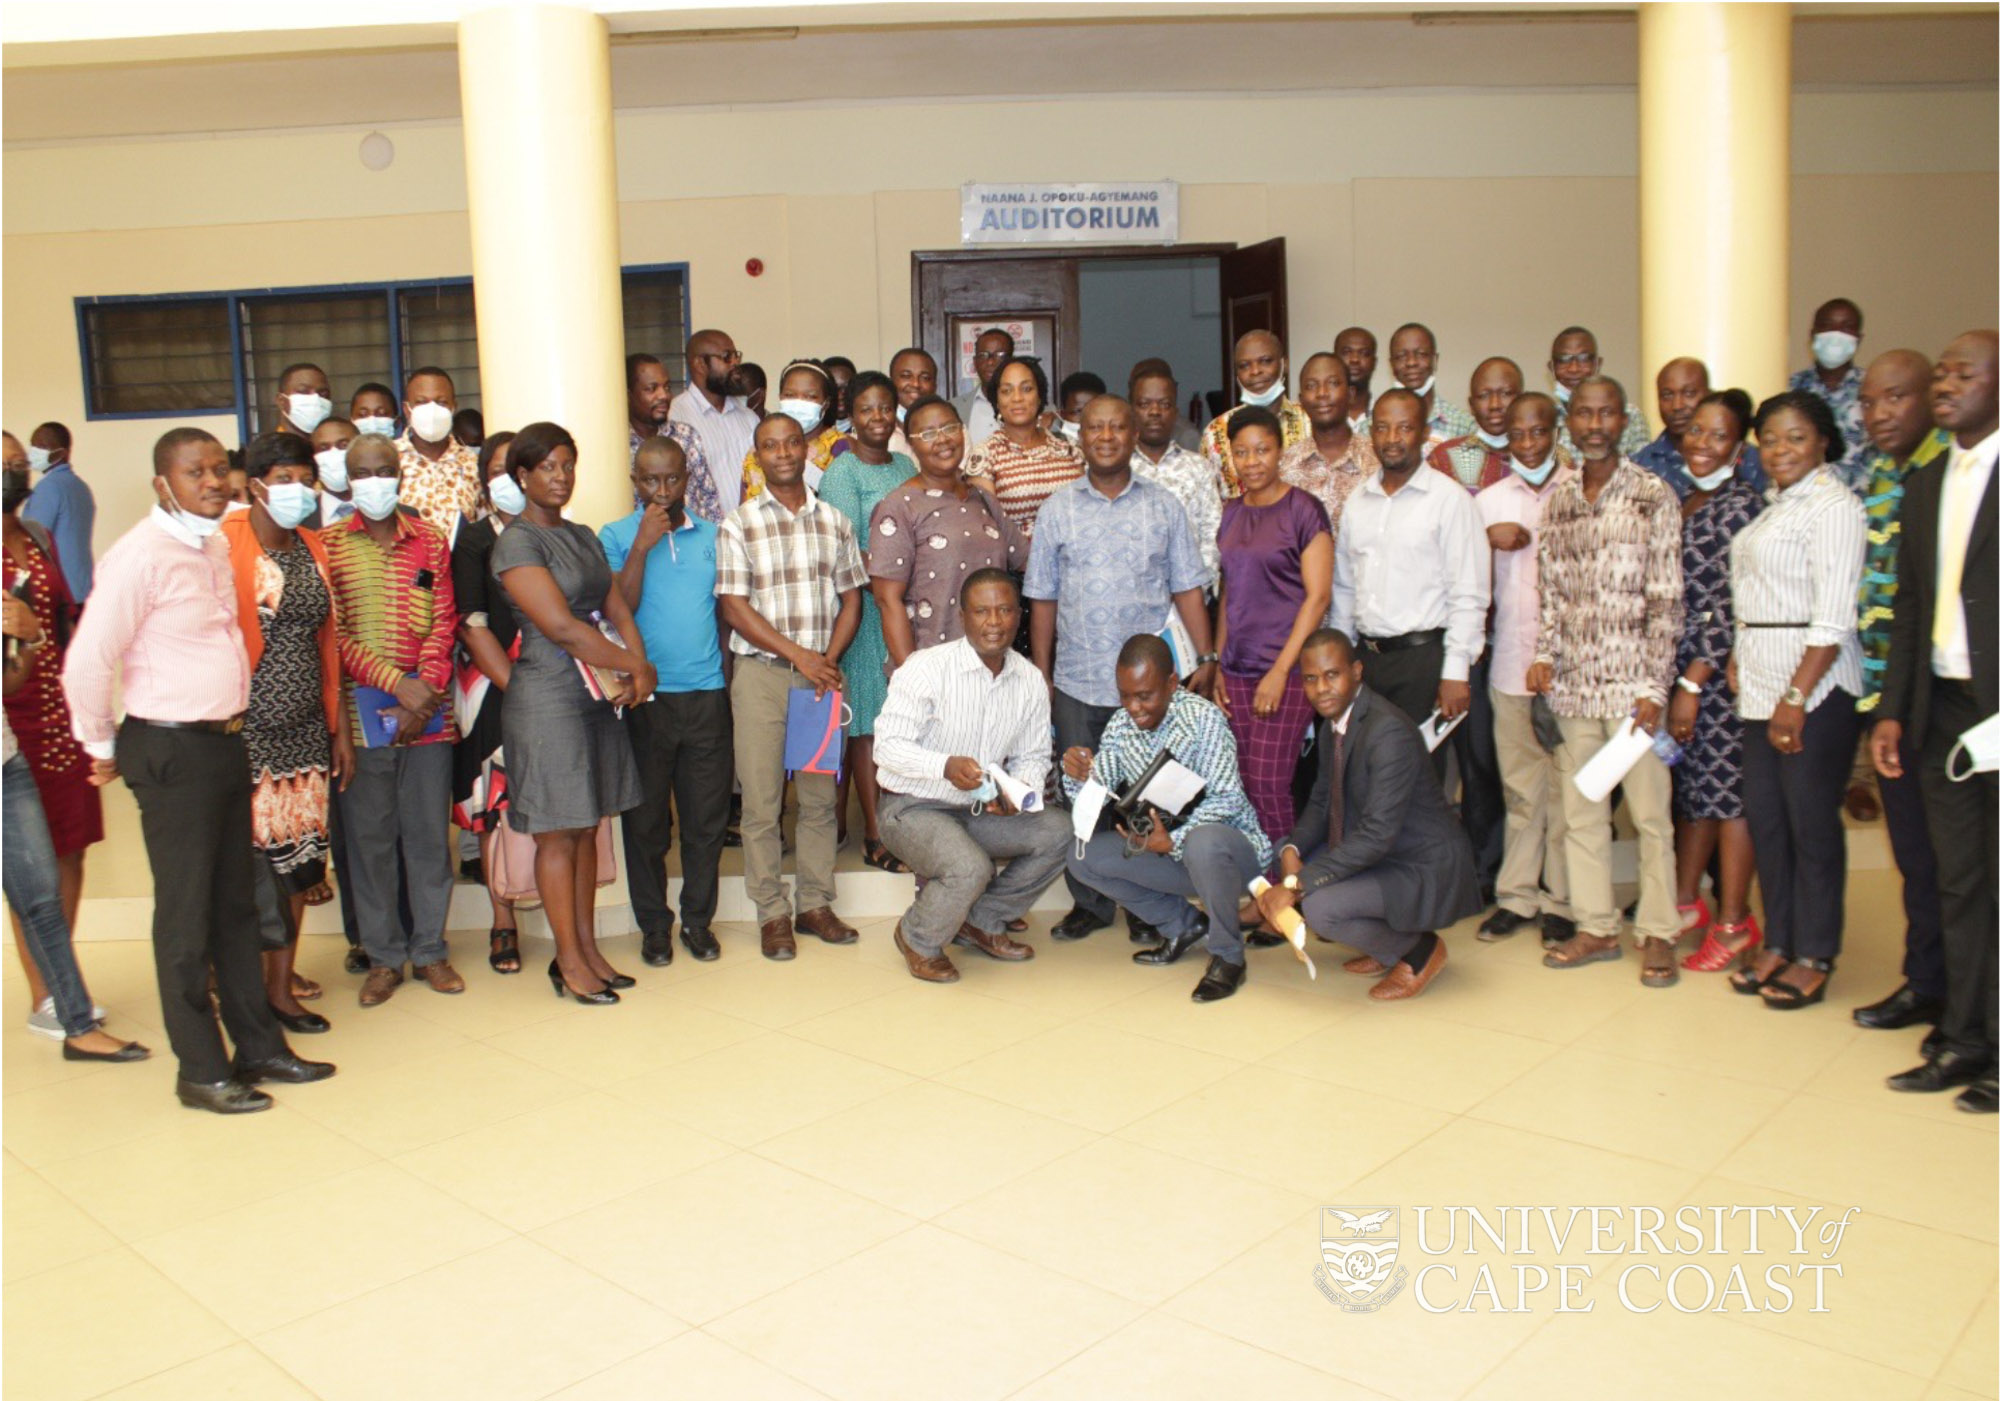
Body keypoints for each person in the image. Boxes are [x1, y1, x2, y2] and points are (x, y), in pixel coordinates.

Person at [63, 426, 334, 1112]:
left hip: (223, 742)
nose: (213, 482)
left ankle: (260, 1046)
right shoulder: (139, 556)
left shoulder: (212, 543)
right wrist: (97, 746)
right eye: (195, 473)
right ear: (164, 483)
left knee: (237, 906)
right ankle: (201, 1068)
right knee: (186, 917)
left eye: (220, 469)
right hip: (171, 746)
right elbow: (88, 660)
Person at [1025, 395, 1215, 942]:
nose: (1106, 436)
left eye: (1117, 427)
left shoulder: (1164, 506)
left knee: (1145, 792)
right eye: (1095, 427)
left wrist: (1204, 658)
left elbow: (1187, 587)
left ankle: (1145, 904)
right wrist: (1042, 671)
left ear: (1134, 435)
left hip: (1149, 689)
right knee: (1081, 791)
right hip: (1079, 679)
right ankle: (1089, 903)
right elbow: (1042, 596)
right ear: (1079, 437)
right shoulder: (1058, 507)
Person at [1874, 330, 1998, 1109]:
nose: (1947, 384)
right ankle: (1965, 1036)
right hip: (1944, 710)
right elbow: (1911, 607)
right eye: (1942, 373)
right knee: (1959, 881)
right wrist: (1892, 712)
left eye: (1964, 373)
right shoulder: (1926, 486)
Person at [1527, 377, 1684, 988]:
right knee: (1583, 816)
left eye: (1606, 414)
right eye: (1584, 414)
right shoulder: (1560, 501)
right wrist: (1543, 656)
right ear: (1572, 420)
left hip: (1633, 699)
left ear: (1623, 421)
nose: (1594, 424)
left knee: (1650, 819)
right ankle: (1596, 927)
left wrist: (1654, 689)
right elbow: (1552, 596)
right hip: (1573, 691)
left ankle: (1660, 933)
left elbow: (1667, 602)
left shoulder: (1652, 495)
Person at [494, 422, 652, 1004]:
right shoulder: (517, 542)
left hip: (593, 696)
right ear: (523, 476)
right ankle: (568, 961)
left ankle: (587, 950)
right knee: (558, 835)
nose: (560, 478)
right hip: (547, 698)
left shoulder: (583, 534)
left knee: (587, 827)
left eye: (568, 466)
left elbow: (615, 604)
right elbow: (561, 627)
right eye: (548, 468)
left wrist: (637, 660)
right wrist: (633, 668)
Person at [1725, 390, 1867, 1010]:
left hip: (1813, 688)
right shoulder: (1776, 506)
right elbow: (1755, 590)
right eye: (1770, 439)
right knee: (1769, 822)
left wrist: (1796, 695)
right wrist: (1738, 649)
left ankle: (1815, 953)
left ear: (1824, 442)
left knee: (1811, 826)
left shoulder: (1835, 507)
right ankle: (1778, 939)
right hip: (1759, 683)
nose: (1780, 450)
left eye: (1796, 438)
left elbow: (1832, 618)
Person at [1251, 629, 1480, 1003]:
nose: (1321, 688)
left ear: (1357, 671)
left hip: (1418, 861)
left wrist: (1296, 885)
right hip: (1383, 851)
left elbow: (1377, 835)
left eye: (1332, 675)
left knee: (1320, 907)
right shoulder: (1335, 723)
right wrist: (1292, 849)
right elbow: (1322, 802)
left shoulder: (1386, 731)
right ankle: (1384, 947)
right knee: (1290, 852)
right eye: (1311, 678)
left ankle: (1419, 951)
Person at [717, 412, 868, 960]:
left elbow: (852, 598)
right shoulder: (738, 524)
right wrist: (800, 655)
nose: (782, 453)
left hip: (821, 681)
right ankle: (771, 914)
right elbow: (733, 606)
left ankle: (814, 905)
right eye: (769, 446)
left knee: (819, 801)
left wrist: (825, 660)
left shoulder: (835, 521)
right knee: (760, 805)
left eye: (790, 443)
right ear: (757, 457)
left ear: (806, 450)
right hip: (762, 677)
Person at [875, 569, 1068, 982]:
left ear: (1019, 615)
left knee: (1058, 831)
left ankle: (982, 920)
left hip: (980, 808)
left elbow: (1033, 756)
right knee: (970, 867)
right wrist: (943, 765)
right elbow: (886, 749)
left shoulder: (1030, 680)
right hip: (911, 807)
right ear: (962, 616)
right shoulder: (925, 669)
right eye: (981, 611)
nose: (993, 622)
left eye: (1004, 610)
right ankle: (917, 937)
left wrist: (1020, 792)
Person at [322, 433, 462, 1006]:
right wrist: (395, 685)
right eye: (363, 473)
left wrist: (422, 690)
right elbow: (336, 636)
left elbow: (445, 619)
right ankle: (383, 957)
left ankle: (429, 950)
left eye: (384, 471)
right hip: (360, 720)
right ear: (349, 481)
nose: (375, 482)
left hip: (429, 713)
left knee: (429, 836)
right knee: (371, 839)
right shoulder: (326, 546)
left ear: (399, 476)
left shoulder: (429, 539)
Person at [220, 432, 350, 1034]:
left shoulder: (313, 548)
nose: (299, 491)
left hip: (305, 735)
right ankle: (238, 988)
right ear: (255, 486)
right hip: (245, 738)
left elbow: (330, 645)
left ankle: (280, 989)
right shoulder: (225, 545)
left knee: (298, 867)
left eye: (306, 479)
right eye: (287, 480)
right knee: (249, 875)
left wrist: (339, 734)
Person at [1065, 634, 1273, 975]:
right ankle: (1182, 926)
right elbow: (1094, 793)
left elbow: (1230, 798)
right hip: (1167, 850)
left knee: (1202, 842)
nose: (1133, 707)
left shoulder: (1204, 720)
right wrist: (1078, 775)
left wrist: (1176, 839)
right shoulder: (1121, 725)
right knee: (1082, 858)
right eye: (1125, 696)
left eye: (1144, 696)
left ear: (1172, 683)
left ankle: (1228, 956)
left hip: (1231, 856)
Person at [1848, 350, 1951, 1038]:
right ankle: (1928, 982)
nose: (1881, 414)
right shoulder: (1884, 475)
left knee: (1962, 863)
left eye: (1897, 399)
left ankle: (1970, 998)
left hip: (1953, 700)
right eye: (1871, 402)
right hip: (1892, 700)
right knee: (1916, 855)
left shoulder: (1953, 474)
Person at [602, 435, 731, 966]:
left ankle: (698, 922)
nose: (662, 491)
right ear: (635, 481)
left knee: (705, 821)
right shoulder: (614, 536)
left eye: (672, 479)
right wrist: (641, 546)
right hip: (644, 700)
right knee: (647, 823)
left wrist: (725, 676)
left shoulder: (713, 535)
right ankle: (654, 925)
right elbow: (617, 609)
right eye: (650, 480)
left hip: (706, 697)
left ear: (686, 478)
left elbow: (726, 613)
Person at [5, 615, 145, 1064]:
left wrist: (30, 638)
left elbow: (9, 683)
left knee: (41, 897)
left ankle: (76, 1024)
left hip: (7, 762)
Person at [4, 436, 103, 1035]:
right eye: (4, 465)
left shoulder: (35, 538)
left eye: (17, 465)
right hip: (10, 727)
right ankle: (45, 994)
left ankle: (62, 974)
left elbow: (66, 621)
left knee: (70, 848)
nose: (15, 473)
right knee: (29, 864)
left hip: (59, 714)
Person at [1663, 392, 1765, 972]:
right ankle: (1685, 902)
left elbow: (1731, 603)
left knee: (1728, 800)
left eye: (1717, 435)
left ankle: (1733, 920)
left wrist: (1696, 681)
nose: (1702, 444)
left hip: (1718, 676)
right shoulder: (1684, 497)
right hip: (1681, 669)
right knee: (1695, 792)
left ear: (1739, 445)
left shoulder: (1741, 507)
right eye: (1695, 432)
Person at [1328, 389, 1489, 757]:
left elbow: (1469, 593)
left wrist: (1456, 672)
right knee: (1368, 770)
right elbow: (1345, 588)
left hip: (1424, 661)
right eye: (1382, 428)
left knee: (1418, 779)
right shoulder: (1358, 502)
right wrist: (1342, 659)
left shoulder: (1450, 500)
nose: (1392, 438)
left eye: (1404, 428)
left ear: (1423, 432)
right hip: (1367, 661)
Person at [1473, 393, 1575, 946]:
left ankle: (1561, 900)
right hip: (1510, 665)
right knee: (1521, 791)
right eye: (1519, 434)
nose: (1530, 443)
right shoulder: (1488, 501)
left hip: (1571, 674)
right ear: (1505, 438)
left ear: (1556, 430)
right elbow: (1467, 581)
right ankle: (1517, 897)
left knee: (1567, 792)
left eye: (1539, 432)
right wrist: (1485, 542)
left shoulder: (1583, 492)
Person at [1212, 406, 1332, 850]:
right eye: (1241, 452)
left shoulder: (1303, 510)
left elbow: (1318, 597)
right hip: (1238, 671)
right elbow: (1229, 593)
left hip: (1287, 671)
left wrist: (1281, 671)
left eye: (1262, 450)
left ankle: (1286, 886)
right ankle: (1259, 882)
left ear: (1280, 451)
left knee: (1267, 782)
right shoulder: (1230, 512)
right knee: (1243, 783)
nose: (1252, 461)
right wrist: (1220, 664)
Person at [818, 371, 918, 874]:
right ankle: (876, 835)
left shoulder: (905, 463)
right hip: (862, 615)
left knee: (900, 724)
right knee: (867, 730)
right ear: (850, 416)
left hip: (903, 610)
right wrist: (898, 563)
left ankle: (901, 824)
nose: (877, 418)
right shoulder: (842, 472)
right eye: (866, 410)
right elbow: (843, 550)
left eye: (886, 408)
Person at [452, 432, 527, 975]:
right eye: (495, 470)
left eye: (514, 467)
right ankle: (503, 920)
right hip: (493, 688)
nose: (507, 479)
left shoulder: (551, 533)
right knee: (495, 806)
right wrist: (515, 685)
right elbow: (471, 620)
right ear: (483, 479)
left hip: (552, 688)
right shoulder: (474, 539)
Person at [871, 395, 1027, 656]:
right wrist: (912, 676)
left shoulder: (983, 499)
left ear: (963, 432)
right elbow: (888, 601)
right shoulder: (899, 506)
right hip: (933, 665)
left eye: (950, 428)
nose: (942, 439)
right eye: (928, 433)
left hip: (992, 662)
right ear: (911, 443)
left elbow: (1026, 561)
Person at [966, 355, 1083, 540]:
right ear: (997, 401)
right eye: (1006, 391)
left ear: (1039, 397)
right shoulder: (985, 455)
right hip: (1019, 564)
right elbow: (985, 526)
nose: (1017, 398)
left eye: (1026, 389)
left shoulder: (1069, 449)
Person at [1130, 363, 1224, 578]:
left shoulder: (1199, 468)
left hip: (1188, 601)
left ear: (1175, 412)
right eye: (1145, 404)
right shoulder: (1116, 469)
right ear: (1132, 411)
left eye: (1164, 404)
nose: (1154, 412)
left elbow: (1213, 535)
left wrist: (1194, 590)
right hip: (1129, 602)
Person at [1633, 357, 1769, 499]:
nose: (1677, 405)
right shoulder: (1640, 466)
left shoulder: (1751, 459)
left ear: (1708, 394)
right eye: (1667, 395)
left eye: (1689, 393)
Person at [1280, 351, 1379, 543]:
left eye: (1333, 383)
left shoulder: (1377, 460)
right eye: (1311, 386)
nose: (1322, 393)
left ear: (1350, 394)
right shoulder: (1284, 467)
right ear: (1301, 400)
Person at [1200, 331, 1309, 497]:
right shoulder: (1215, 433)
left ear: (1284, 364)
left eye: (1265, 361)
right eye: (1244, 365)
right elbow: (1209, 505)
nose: (1255, 371)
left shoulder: (1311, 421)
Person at [671, 328, 760, 514]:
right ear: (700, 364)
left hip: (751, 533)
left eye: (736, 356)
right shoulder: (676, 418)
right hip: (704, 536)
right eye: (727, 357)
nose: (735, 363)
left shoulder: (749, 418)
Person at [1787, 297, 1870, 493]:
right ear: (1813, 335)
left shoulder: (1872, 388)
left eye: (1846, 327)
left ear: (1859, 338)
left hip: (1864, 509)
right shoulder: (1792, 388)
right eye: (1827, 326)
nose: (1836, 335)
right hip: (1804, 507)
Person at [626, 352, 719, 521]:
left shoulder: (686, 436)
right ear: (628, 395)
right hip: (642, 543)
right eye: (651, 389)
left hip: (691, 541)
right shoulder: (618, 447)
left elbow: (709, 501)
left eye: (667, 387)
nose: (663, 395)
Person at [394, 365, 482, 540]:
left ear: (453, 408)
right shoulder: (388, 459)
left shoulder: (473, 463)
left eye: (441, 402)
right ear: (407, 410)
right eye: (421, 402)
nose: (432, 410)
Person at [741, 359, 848, 499]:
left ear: (826, 403)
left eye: (810, 396)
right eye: (790, 395)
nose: (799, 403)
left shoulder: (843, 448)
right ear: (780, 398)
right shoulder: (758, 450)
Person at [1547, 326, 1651, 459]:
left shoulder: (1630, 415)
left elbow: (1643, 468)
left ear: (1598, 364)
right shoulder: (1546, 419)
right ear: (1552, 368)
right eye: (1564, 360)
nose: (1574, 368)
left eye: (1584, 358)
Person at [23, 422, 95, 603]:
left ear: (63, 452)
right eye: (33, 445)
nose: (34, 451)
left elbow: (32, 541)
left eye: (42, 446)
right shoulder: (80, 486)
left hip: (59, 591)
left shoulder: (49, 487)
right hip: (82, 587)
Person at [1427, 358, 1523, 492]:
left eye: (1505, 393)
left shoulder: (1550, 458)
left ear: (1522, 400)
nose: (1495, 405)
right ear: (1471, 405)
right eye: (1484, 396)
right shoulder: (1443, 458)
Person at [1383, 323, 1476, 453]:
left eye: (1421, 354)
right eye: (1402, 356)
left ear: (1435, 360)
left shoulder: (1465, 425)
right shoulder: (1370, 428)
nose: (1411, 362)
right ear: (1391, 364)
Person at [953, 328, 1012, 448]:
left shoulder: (1037, 410)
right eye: (983, 355)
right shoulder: (954, 408)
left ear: (1011, 360)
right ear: (975, 362)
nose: (990, 362)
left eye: (999, 355)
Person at [272, 362, 333, 439]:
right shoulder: (268, 450)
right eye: (303, 391)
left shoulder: (334, 449)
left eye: (323, 393)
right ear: (281, 401)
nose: (315, 399)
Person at [1333, 327, 1378, 431]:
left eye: (1364, 353)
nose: (1355, 359)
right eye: (1347, 352)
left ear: (1374, 363)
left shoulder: (1386, 412)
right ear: (1334, 360)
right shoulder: (1319, 416)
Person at [1053, 371, 1106, 442]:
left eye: (1094, 411)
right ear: (1062, 414)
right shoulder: (1051, 447)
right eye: (1078, 412)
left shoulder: (1113, 446)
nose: (1086, 419)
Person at [824, 355, 858, 433]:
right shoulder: (810, 432)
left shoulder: (868, 430)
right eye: (833, 388)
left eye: (846, 387)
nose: (840, 395)